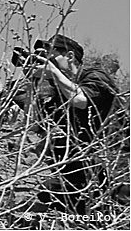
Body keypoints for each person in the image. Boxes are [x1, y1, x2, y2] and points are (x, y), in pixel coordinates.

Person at [11, 33, 117, 214]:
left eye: (50, 56)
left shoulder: (95, 76)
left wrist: (53, 72)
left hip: (116, 155)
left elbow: (81, 100)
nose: (45, 61)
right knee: (48, 197)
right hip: (84, 157)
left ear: (69, 56)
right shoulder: (55, 90)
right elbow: (36, 122)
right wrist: (33, 83)